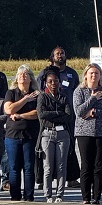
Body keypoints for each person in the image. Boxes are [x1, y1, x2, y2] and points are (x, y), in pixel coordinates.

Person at [37, 46, 80, 188]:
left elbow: (76, 92)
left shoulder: (72, 74)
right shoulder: (44, 73)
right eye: (57, 54)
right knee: (46, 153)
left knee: (69, 148)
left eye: (62, 53)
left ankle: (71, 177)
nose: (60, 55)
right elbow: (39, 92)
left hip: (68, 115)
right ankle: (44, 180)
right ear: (52, 56)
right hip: (48, 118)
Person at [73, 63, 102, 204]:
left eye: (96, 73)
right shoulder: (79, 91)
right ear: (85, 75)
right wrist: (93, 98)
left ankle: (97, 196)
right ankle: (85, 197)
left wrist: (94, 112)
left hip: (101, 133)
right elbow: (79, 111)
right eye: (91, 73)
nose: (93, 75)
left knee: (98, 165)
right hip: (84, 133)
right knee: (86, 165)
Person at [4, 64, 40, 202]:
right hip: (12, 136)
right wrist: (25, 99)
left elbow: (37, 113)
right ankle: (15, 197)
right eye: (20, 75)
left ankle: (29, 197)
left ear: (30, 78)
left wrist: (20, 115)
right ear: (16, 79)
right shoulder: (11, 93)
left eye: (25, 74)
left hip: (30, 135)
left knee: (29, 167)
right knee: (14, 168)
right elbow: (9, 109)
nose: (22, 77)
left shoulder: (37, 94)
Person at [37, 68, 73, 202]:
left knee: (61, 166)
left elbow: (68, 116)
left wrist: (52, 113)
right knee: (48, 166)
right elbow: (42, 115)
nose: (53, 84)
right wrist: (59, 113)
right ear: (46, 83)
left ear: (59, 82)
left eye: (56, 81)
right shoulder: (43, 97)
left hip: (63, 133)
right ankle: (48, 195)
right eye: (50, 81)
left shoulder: (64, 97)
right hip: (47, 134)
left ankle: (59, 194)